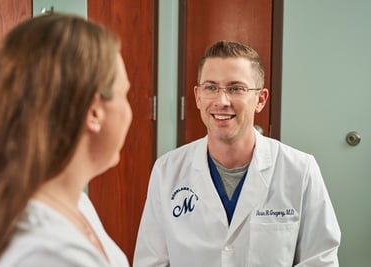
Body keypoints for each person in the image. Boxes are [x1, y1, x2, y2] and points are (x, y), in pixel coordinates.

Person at [133, 40, 341, 266]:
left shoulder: (300, 170)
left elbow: (320, 261)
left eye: (236, 89)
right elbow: (151, 261)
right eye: (211, 87)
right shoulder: (167, 171)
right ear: (198, 97)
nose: (222, 101)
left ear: (260, 100)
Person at [0, 14, 132, 267]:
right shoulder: (49, 254)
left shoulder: (75, 202)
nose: (129, 111)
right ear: (94, 111)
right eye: (125, 94)